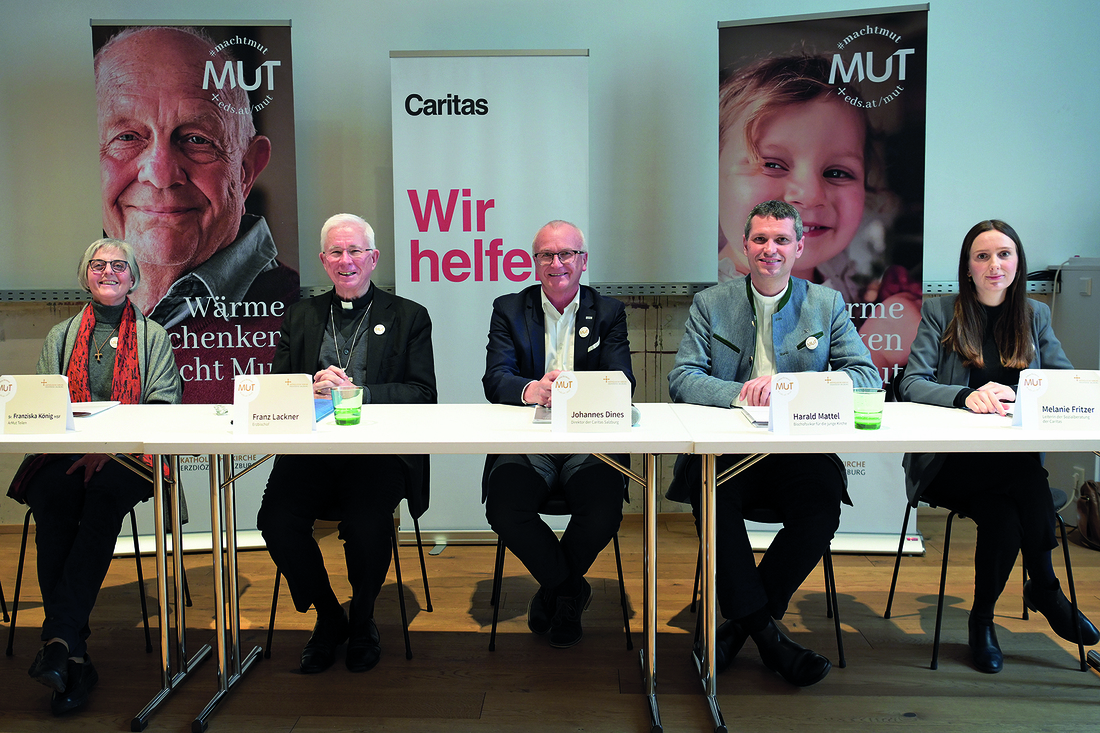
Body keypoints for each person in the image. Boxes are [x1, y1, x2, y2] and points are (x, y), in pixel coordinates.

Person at [668, 200, 880, 687]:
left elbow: (866, 378)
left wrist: (789, 389)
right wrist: (743, 391)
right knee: (712, 501)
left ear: (800, 247)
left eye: (782, 240)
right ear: (744, 245)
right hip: (728, 452)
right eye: (760, 239)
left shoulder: (825, 305)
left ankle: (742, 626)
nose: (770, 249)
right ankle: (770, 638)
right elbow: (682, 378)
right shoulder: (711, 303)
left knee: (821, 511)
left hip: (798, 451)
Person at [899, 219, 1099, 673]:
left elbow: (1064, 381)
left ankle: (982, 620)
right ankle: (1045, 588)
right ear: (967, 267)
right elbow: (910, 383)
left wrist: (1044, 392)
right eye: (982, 256)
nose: (994, 265)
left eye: (1004, 254)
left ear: (1018, 263)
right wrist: (965, 396)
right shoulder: (941, 311)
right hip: (952, 464)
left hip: (1010, 466)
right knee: (1026, 481)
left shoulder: (1034, 315)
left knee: (1006, 510)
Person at [256, 214, 436, 674]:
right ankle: (329, 613)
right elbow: (277, 386)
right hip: (312, 454)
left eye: (355, 251)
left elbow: (422, 393)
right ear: (323, 261)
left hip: (376, 454)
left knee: (365, 524)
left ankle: (364, 617)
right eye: (336, 252)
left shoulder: (408, 316)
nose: (346, 260)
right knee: (275, 519)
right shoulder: (301, 314)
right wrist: (307, 385)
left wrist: (361, 393)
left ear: (373, 259)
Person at [8, 239, 181, 715]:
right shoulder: (60, 336)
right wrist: (83, 447)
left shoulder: (154, 338)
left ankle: (61, 639)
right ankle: (71, 651)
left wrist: (108, 446)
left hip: (132, 459)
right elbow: (45, 408)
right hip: (65, 454)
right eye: (99, 265)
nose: (109, 273)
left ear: (134, 278)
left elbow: (163, 407)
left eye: (119, 266)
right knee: (53, 500)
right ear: (86, 275)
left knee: (102, 499)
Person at [94, 26, 300, 402]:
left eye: (197, 139)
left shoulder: (301, 319)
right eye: (126, 137)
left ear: (247, 169)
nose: (160, 174)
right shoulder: (76, 325)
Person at [482, 220, 635, 648]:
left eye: (566, 253)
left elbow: (623, 382)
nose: (557, 263)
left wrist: (573, 390)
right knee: (505, 507)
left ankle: (554, 588)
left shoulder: (609, 312)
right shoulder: (510, 308)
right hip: (530, 438)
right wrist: (532, 389)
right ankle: (570, 589)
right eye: (546, 255)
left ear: (583, 261)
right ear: (534, 263)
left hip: (589, 439)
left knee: (602, 509)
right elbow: (495, 379)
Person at [716, 54, 921, 374]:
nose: (810, 194)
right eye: (772, 164)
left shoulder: (846, 278)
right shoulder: (714, 297)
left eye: (838, 172)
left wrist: (898, 310)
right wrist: (875, 355)